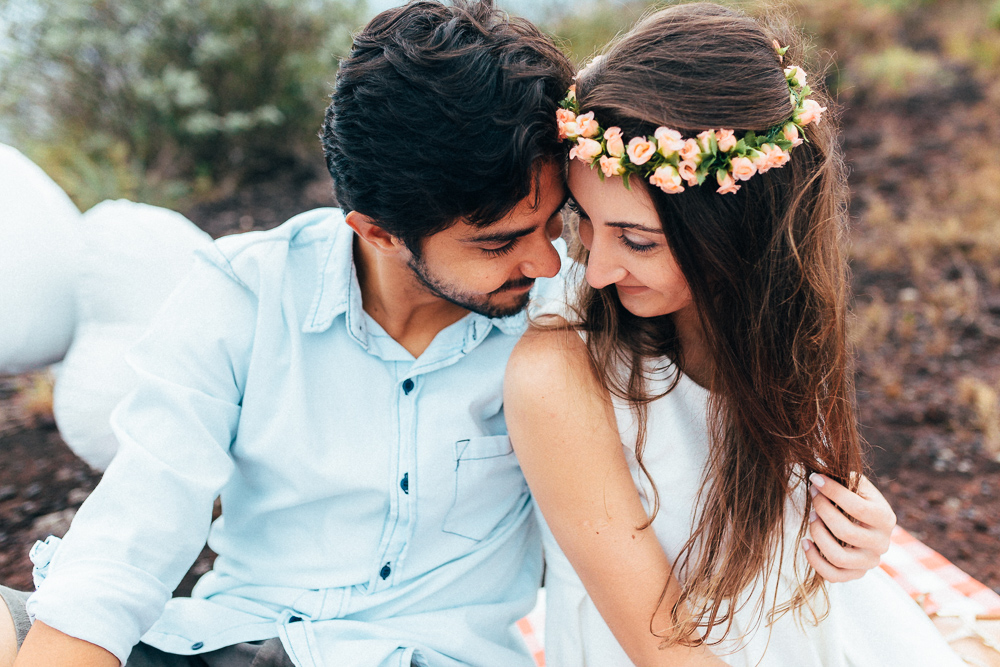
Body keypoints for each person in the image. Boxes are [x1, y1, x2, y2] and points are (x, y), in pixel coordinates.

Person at [0, 2, 894, 667]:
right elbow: (129, 536)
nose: (551, 264)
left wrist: (854, 507)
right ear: (377, 230)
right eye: (502, 241)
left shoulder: (579, 317)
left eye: (557, 223)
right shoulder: (245, 292)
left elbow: (734, 381)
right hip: (225, 638)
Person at [503, 4, 965, 667]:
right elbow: (661, 643)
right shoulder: (560, 370)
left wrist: (862, 522)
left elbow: (779, 499)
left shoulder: (770, 319)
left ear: (733, 234)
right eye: (585, 219)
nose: (595, 268)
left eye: (636, 239)